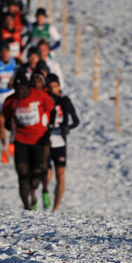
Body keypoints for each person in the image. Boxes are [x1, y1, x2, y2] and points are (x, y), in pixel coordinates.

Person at [3, 71, 55, 210]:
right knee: (22, 174)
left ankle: (36, 191)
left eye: (22, 89)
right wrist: (7, 124)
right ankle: (27, 208)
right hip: (20, 140)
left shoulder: (40, 96)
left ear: (28, 88)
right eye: (16, 89)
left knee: (34, 182)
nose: (19, 92)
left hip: (38, 140)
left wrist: (49, 130)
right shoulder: (10, 101)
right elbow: (7, 118)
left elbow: (52, 109)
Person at [42, 73, 80, 210]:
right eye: (50, 86)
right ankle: (45, 192)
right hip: (45, 141)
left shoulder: (65, 101)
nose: (53, 89)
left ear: (59, 87)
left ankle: (56, 208)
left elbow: (76, 121)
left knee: (60, 175)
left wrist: (66, 128)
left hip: (60, 142)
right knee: (46, 172)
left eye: (55, 86)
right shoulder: (43, 100)